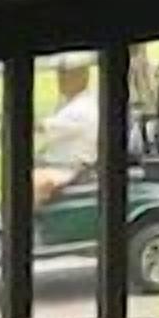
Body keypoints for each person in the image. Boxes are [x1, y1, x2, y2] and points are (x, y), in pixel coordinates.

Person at [35, 52, 103, 209]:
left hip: (72, 168)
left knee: (33, 182)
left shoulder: (82, 108)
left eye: (65, 75)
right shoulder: (76, 102)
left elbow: (48, 126)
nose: (60, 80)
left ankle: (18, 225)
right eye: (60, 75)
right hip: (60, 163)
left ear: (81, 77)